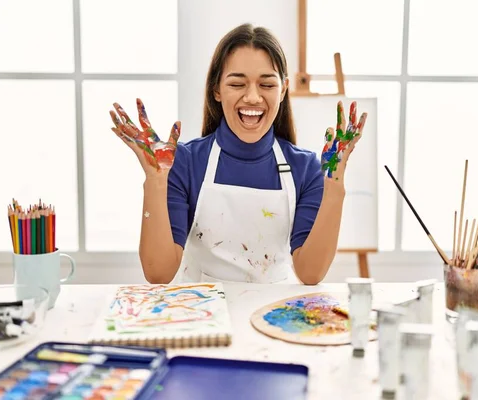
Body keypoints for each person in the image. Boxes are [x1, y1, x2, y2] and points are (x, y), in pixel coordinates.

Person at [109, 23, 367, 285]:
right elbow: (158, 273)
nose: (253, 97)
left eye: (267, 84)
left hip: (274, 315)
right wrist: (155, 180)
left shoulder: (304, 166)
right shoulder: (186, 161)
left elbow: (310, 274)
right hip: (204, 314)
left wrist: (334, 186)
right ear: (217, 90)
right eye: (237, 83)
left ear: (283, 89)